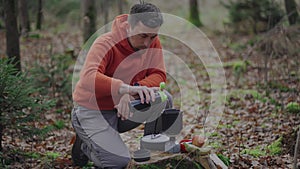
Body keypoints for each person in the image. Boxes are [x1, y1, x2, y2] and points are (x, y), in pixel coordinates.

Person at [71, 2, 172, 169]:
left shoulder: (152, 41)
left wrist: (133, 90)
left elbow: (159, 75)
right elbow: (88, 78)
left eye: (152, 37)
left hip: (123, 111)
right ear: (129, 27)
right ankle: (85, 146)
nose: (148, 43)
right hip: (92, 110)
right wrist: (124, 89)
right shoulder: (105, 43)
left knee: (163, 98)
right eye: (143, 36)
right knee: (119, 163)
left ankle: (150, 152)